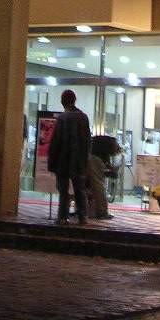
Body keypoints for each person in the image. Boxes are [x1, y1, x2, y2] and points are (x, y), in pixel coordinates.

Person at [47, 89, 91, 226]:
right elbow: (88, 141)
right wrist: (85, 159)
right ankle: (83, 217)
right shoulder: (83, 117)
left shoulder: (62, 118)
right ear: (74, 100)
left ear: (62, 102)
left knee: (63, 191)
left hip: (63, 160)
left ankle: (62, 217)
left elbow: (56, 141)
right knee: (80, 189)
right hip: (79, 160)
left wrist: (52, 160)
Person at [86, 134, 121, 220]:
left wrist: (110, 169)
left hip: (86, 156)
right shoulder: (109, 146)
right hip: (93, 158)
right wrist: (112, 170)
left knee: (89, 186)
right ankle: (102, 212)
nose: (114, 155)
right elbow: (105, 162)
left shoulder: (107, 142)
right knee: (99, 187)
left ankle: (87, 210)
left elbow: (106, 162)